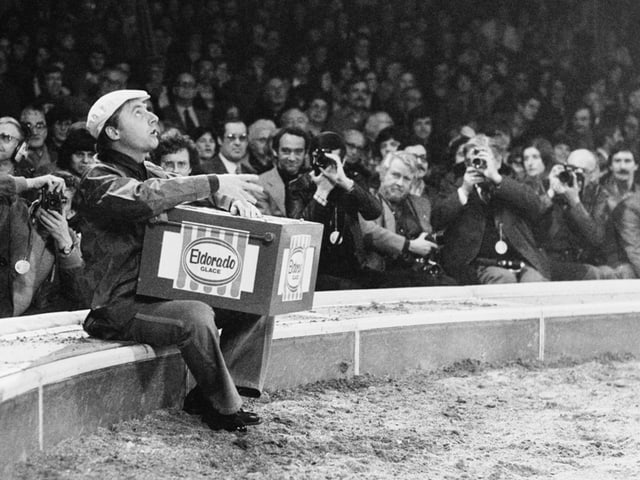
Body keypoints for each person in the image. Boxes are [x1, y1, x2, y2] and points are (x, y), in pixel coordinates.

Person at [78, 89, 271, 433]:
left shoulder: (149, 169)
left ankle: (211, 393)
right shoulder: (97, 179)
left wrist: (230, 203)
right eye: (139, 113)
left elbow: (186, 197)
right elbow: (145, 197)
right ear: (112, 132)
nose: (153, 118)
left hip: (160, 293)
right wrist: (213, 181)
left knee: (256, 300)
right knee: (196, 315)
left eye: (151, 111)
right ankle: (223, 407)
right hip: (120, 306)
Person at [432, 134, 550, 284]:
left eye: (484, 160)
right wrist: (464, 190)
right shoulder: (454, 185)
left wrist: (496, 178)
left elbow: (536, 206)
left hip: (518, 261)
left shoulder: (511, 184)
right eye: (471, 162)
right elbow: (437, 218)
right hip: (477, 263)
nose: (478, 166)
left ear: (499, 162)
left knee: (536, 282)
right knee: (503, 279)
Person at [288, 131, 383, 290]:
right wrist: (322, 192)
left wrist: (345, 182)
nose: (327, 166)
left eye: (333, 161)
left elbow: (374, 212)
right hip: (315, 269)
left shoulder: (349, 183)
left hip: (351, 265)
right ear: (312, 158)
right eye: (323, 159)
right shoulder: (298, 187)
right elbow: (300, 233)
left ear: (343, 160)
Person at [359, 151, 456, 286]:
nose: (400, 183)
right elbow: (369, 232)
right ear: (382, 174)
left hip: (419, 271)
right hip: (383, 273)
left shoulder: (421, 204)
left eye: (406, 179)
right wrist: (409, 246)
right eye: (395, 175)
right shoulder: (367, 199)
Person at [255, 126, 309, 217]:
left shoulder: (314, 183)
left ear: (306, 153)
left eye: (298, 152)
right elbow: (263, 224)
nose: (292, 158)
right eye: (286, 151)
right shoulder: (260, 184)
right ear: (275, 151)